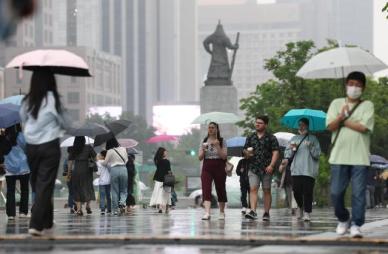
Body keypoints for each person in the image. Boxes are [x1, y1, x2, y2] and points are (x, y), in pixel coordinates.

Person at [20, 68, 69, 236]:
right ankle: (36, 224)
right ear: (51, 81)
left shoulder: (27, 100)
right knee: (45, 184)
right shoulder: (53, 100)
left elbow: (23, 120)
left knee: (38, 184)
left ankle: (47, 221)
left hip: (31, 147)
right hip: (49, 146)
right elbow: (65, 122)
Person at [326, 71, 374, 238]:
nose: (354, 88)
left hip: (360, 157)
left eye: (358, 85)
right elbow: (330, 126)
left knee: (358, 193)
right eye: (351, 84)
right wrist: (340, 115)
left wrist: (344, 121)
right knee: (336, 192)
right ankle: (343, 218)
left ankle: (356, 224)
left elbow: (364, 127)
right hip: (339, 156)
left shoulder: (367, 105)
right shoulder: (336, 103)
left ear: (363, 88)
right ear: (346, 85)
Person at [280, 118, 321, 222]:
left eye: (303, 125)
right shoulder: (294, 138)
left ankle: (307, 213)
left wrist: (311, 146)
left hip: (309, 170)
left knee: (308, 192)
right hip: (296, 170)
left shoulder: (313, 139)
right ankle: (300, 207)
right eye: (299, 125)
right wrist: (292, 149)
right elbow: (287, 153)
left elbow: (317, 155)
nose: (300, 127)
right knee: (296, 191)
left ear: (307, 126)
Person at [243, 115, 279, 221]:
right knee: (253, 189)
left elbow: (275, 152)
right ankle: (253, 211)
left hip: (267, 168)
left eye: (260, 123)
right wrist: (247, 153)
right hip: (253, 167)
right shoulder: (250, 137)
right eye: (256, 122)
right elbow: (244, 152)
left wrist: (271, 165)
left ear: (266, 125)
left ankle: (266, 212)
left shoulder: (271, 138)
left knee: (266, 190)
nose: (257, 124)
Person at [198, 122, 228, 220]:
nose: (210, 129)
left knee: (220, 188)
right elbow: (200, 158)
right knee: (206, 188)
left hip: (219, 165)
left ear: (217, 129)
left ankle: (222, 211)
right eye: (209, 127)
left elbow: (224, 156)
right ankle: (207, 212)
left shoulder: (222, 141)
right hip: (207, 166)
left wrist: (218, 146)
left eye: (213, 127)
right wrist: (204, 150)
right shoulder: (204, 140)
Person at [3, 124, 30, 220]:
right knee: (25, 190)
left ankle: (11, 214)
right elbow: (27, 148)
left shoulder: (4, 137)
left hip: (9, 168)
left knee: (10, 191)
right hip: (23, 167)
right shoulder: (21, 136)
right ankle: (23, 212)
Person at [68, 136, 96, 216]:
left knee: (77, 189)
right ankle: (88, 205)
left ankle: (79, 209)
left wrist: (69, 173)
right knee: (88, 187)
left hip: (76, 171)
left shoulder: (74, 148)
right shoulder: (88, 147)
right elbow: (96, 158)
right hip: (86, 170)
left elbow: (70, 162)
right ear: (84, 140)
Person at [102, 138, 128, 215]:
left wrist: (102, 162)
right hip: (123, 169)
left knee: (114, 190)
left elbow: (105, 163)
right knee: (123, 189)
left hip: (114, 170)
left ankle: (115, 210)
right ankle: (122, 203)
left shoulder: (109, 151)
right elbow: (126, 160)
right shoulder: (123, 149)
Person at [150, 147, 173, 214]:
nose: (166, 153)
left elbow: (158, 168)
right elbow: (169, 171)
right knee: (166, 194)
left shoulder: (157, 160)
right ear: (162, 152)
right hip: (166, 179)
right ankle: (166, 208)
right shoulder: (167, 161)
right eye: (165, 151)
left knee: (158, 193)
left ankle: (160, 207)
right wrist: (171, 178)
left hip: (158, 178)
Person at [96, 150, 111, 215]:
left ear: (102, 156)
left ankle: (102, 209)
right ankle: (109, 209)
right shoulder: (109, 162)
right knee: (108, 196)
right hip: (109, 181)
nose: (99, 156)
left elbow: (98, 173)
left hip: (102, 182)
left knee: (102, 196)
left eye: (100, 155)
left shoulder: (98, 162)